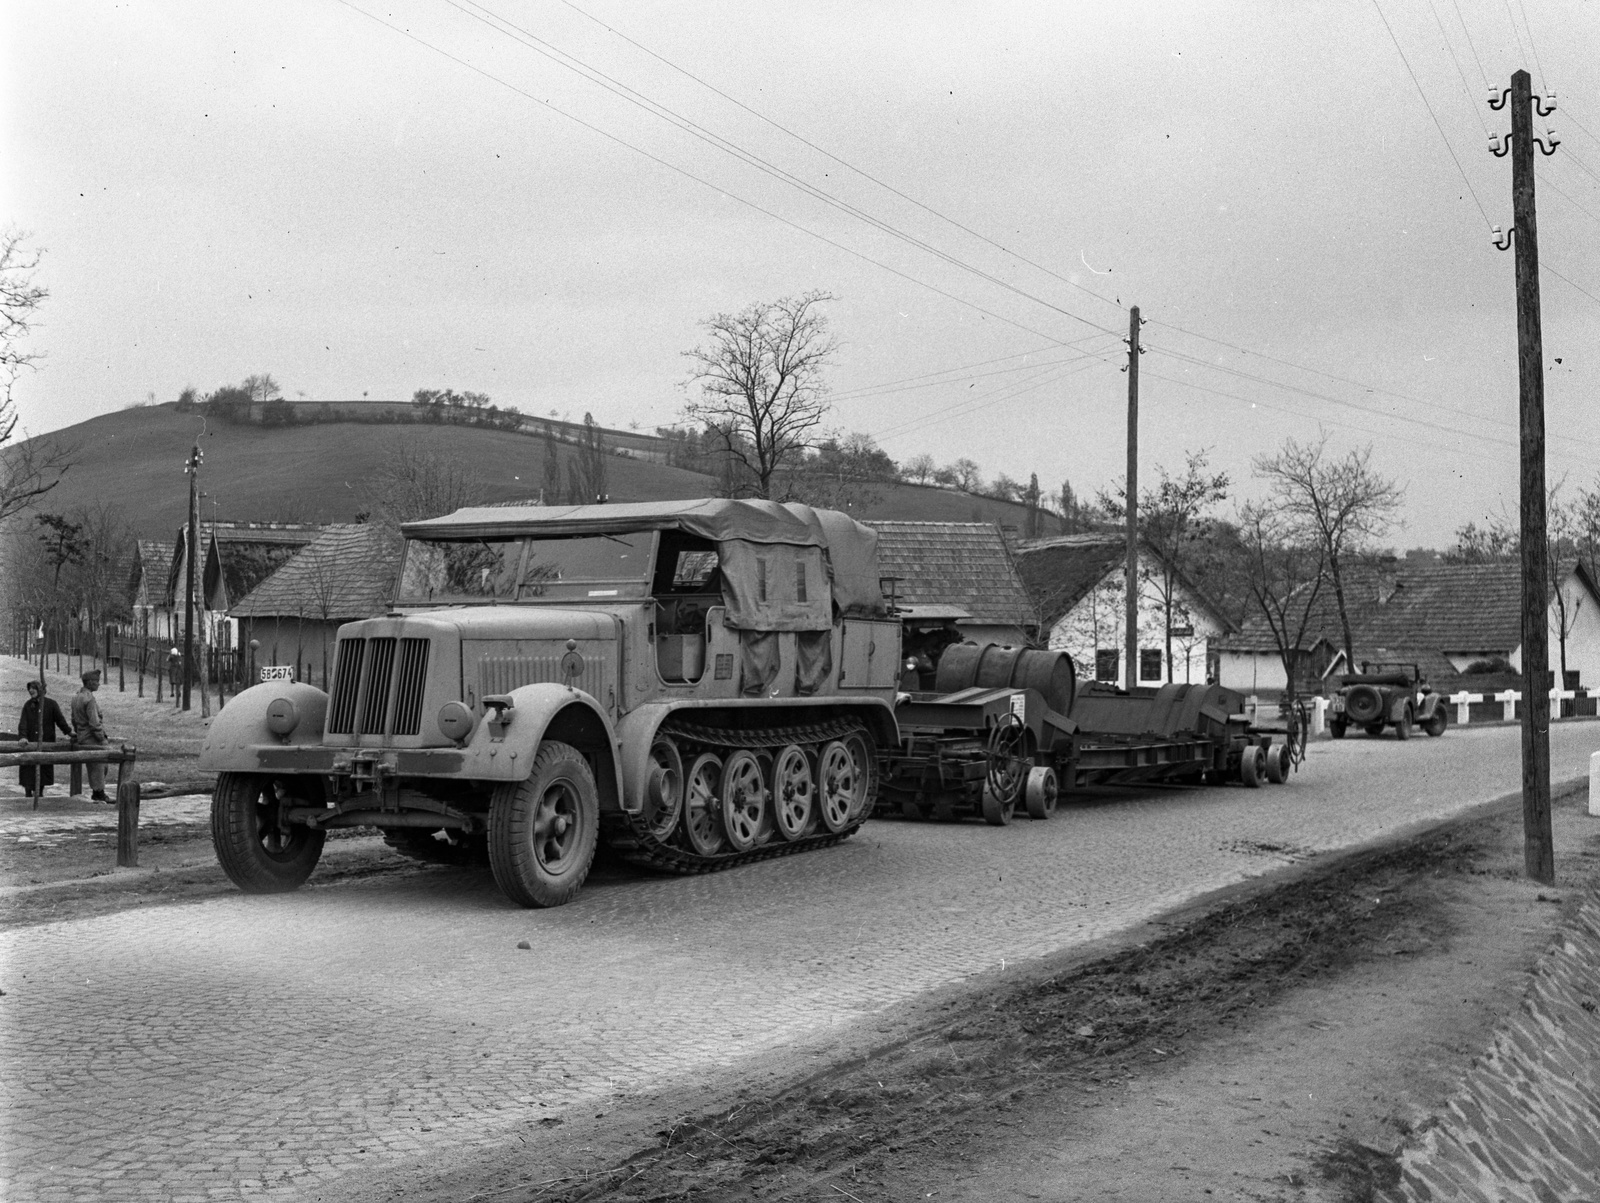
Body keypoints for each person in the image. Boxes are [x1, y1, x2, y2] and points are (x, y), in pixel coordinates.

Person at [18, 679, 71, 794]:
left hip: (46, 742)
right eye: (29, 688)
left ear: (40, 690)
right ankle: (28, 793)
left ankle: (40, 792)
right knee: (28, 769)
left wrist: (69, 732)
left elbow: (60, 721)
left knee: (43, 768)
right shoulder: (28, 705)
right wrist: (23, 737)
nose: (31, 690)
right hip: (30, 741)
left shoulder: (51, 704)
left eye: (33, 688)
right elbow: (23, 723)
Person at [70, 669, 112, 803]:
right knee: (99, 766)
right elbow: (94, 723)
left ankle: (98, 792)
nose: (99, 684)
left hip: (82, 737)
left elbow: (73, 720)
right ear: (89, 683)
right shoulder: (89, 699)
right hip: (93, 738)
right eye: (96, 682)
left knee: (94, 766)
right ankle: (99, 793)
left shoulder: (76, 697)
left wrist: (79, 732)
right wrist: (101, 738)